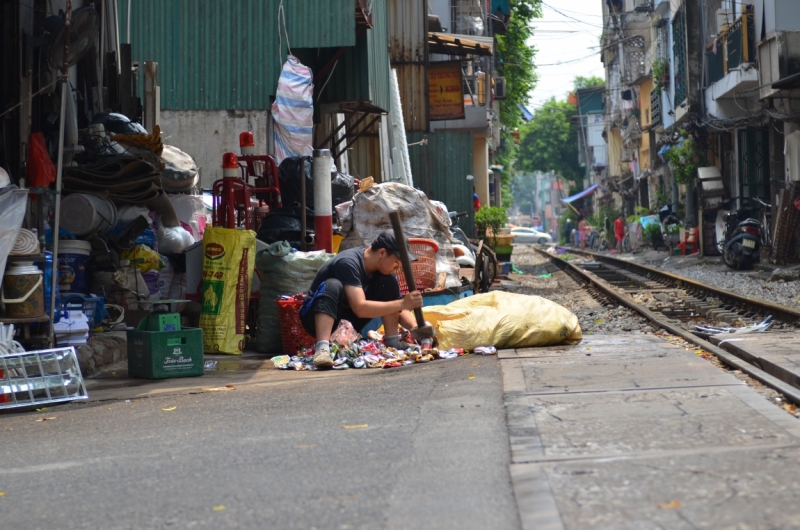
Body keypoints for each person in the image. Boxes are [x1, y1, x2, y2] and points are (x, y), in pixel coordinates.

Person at [299, 230, 423, 369]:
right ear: (382, 253)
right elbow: (360, 309)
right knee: (333, 284)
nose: (398, 267)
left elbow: (397, 307)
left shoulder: (384, 272)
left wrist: (416, 329)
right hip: (315, 316)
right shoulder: (348, 262)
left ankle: (393, 342)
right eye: (396, 262)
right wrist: (403, 303)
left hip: (348, 324)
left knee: (388, 283)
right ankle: (322, 349)